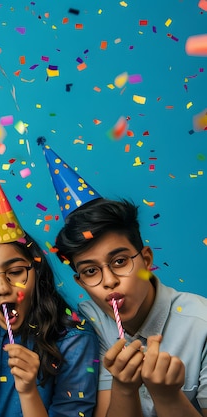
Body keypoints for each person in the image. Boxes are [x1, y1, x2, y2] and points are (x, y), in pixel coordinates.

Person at [41, 140, 207, 417]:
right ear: (80, 282)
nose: (109, 281)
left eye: (119, 262)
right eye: (91, 271)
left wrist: (167, 397)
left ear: (146, 260)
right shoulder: (89, 323)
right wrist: (124, 388)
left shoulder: (201, 324)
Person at [0, 166, 99, 417]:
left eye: (16, 272)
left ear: (36, 273)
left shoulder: (74, 339)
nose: (4, 289)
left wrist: (28, 391)